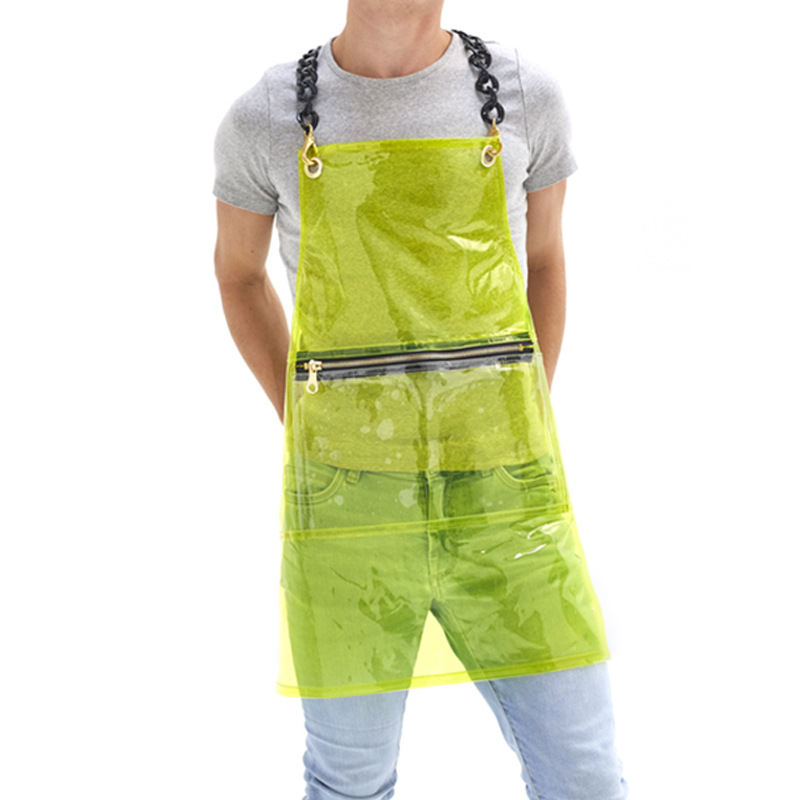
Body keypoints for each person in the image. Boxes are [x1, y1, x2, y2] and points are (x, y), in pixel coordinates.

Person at [212, 2, 629, 798]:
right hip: (349, 506)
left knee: (584, 775)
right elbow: (238, 275)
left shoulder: (523, 94)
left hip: (506, 493)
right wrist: (305, 420)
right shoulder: (267, 116)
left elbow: (545, 261)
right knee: (350, 781)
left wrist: (518, 413)